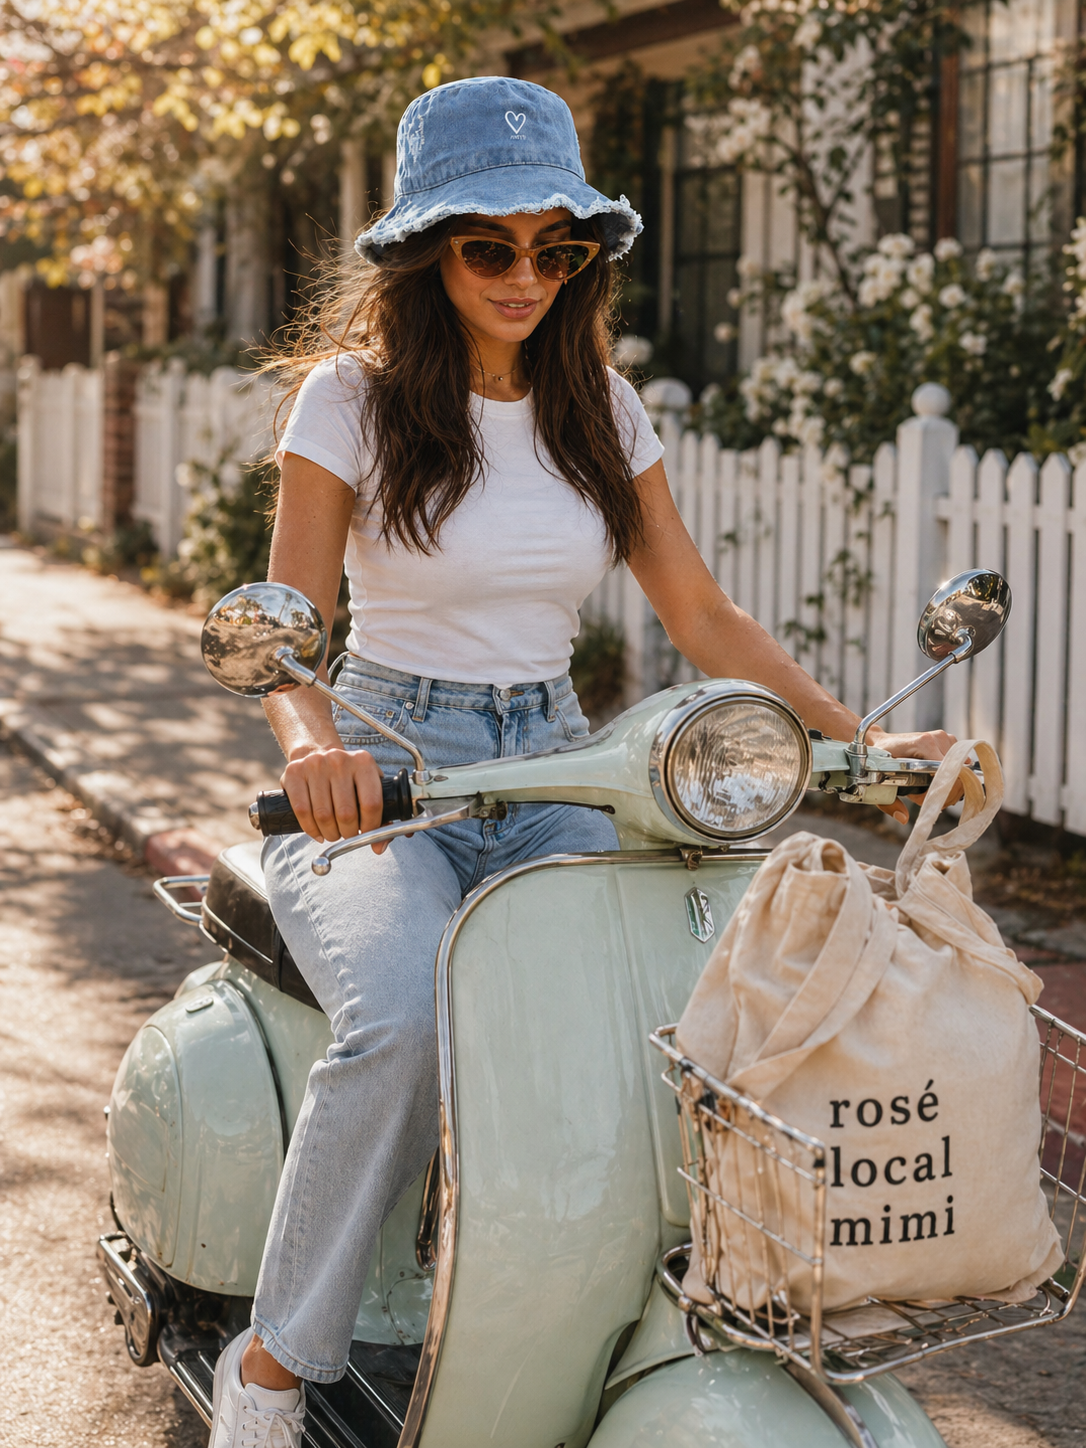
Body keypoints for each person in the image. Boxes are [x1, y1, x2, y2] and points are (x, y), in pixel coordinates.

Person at [209, 75, 954, 1448]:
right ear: (430, 252)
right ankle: (273, 1367)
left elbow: (704, 617)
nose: (523, 275)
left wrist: (863, 744)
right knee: (402, 1018)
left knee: (674, 1015)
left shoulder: (599, 409)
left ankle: (632, 1325)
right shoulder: (348, 402)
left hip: (558, 761)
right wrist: (311, 745)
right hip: (385, 766)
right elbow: (292, 633)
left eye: (557, 249)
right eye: (490, 245)